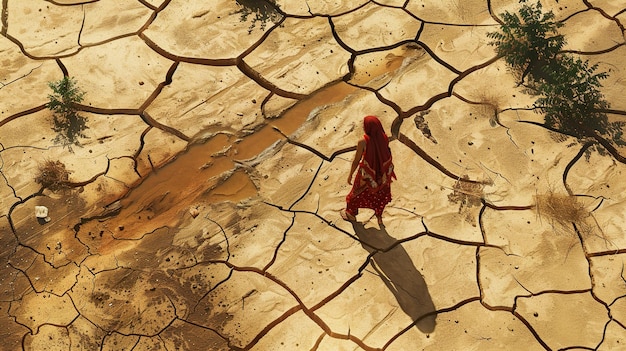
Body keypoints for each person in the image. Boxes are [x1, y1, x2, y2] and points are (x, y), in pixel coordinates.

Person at [341, 115, 396, 225]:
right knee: (379, 195)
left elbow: (356, 161)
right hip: (382, 173)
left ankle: (351, 214)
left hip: (367, 174)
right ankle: (379, 216)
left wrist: (350, 174)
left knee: (354, 195)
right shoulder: (384, 137)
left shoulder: (363, 142)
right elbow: (383, 153)